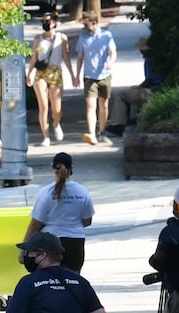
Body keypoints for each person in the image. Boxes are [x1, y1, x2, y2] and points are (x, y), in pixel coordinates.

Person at [23, 152, 94, 275]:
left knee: (49, 280)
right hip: (75, 242)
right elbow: (87, 221)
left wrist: (24, 249)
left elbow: (35, 224)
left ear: (53, 168)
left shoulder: (46, 193)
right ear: (72, 168)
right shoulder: (82, 192)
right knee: (73, 281)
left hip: (50, 242)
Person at [27, 13, 74, 148]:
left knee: (56, 107)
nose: (45, 23)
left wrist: (72, 75)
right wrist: (29, 73)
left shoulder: (62, 38)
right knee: (43, 106)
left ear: (54, 23)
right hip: (41, 72)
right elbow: (34, 57)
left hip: (55, 71)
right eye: (43, 20)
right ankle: (46, 136)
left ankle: (56, 123)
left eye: (47, 21)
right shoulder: (38, 39)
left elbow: (66, 57)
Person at [76, 11, 117, 146]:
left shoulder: (106, 35)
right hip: (89, 76)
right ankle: (92, 133)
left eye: (87, 25)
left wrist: (111, 62)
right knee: (90, 105)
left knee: (103, 105)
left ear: (95, 23)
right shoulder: (83, 37)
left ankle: (102, 132)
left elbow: (113, 52)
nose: (85, 27)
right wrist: (76, 75)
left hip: (104, 75)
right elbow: (80, 57)